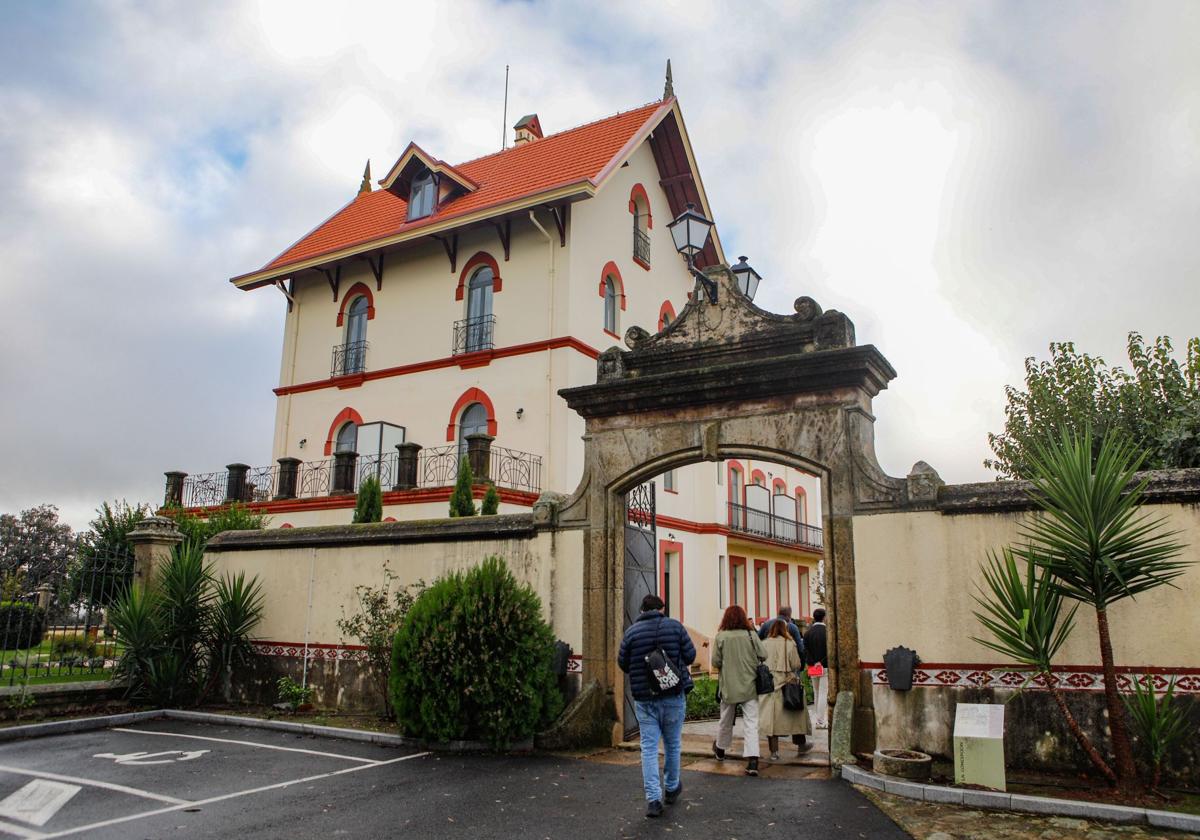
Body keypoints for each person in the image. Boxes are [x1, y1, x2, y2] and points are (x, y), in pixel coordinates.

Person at [617, 594, 696, 819]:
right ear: (662, 608)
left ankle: (653, 800)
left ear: (642, 609)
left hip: (645, 698)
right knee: (672, 744)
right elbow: (690, 655)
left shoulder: (631, 632)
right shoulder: (675, 626)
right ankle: (671, 788)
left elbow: (623, 663)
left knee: (649, 747)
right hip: (673, 695)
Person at [711, 604, 767, 776]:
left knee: (725, 720)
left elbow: (715, 662)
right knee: (751, 723)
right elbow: (763, 654)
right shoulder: (751, 635)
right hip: (749, 685)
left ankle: (720, 749)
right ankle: (752, 760)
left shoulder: (721, 637)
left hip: (729, 686)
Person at [758, 619, 811, 760]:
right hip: (787, 682)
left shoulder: (764, 644)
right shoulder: (790, 643)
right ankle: (801, 745)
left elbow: (759, 662)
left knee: (772, 720)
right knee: (797, 714)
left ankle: (774, 751)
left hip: (769, 684)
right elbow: (796, 664)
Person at [803, 607, 829, 728]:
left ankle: (818, 719)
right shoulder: (828, 631)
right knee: (823, 692)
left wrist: (814, 662)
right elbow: (830, 651)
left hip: (812, 665)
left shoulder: (808, 632)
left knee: (816, 691)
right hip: (824, 666)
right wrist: (821, 662)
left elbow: (806, 650)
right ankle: (820, 720)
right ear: (824, 617)